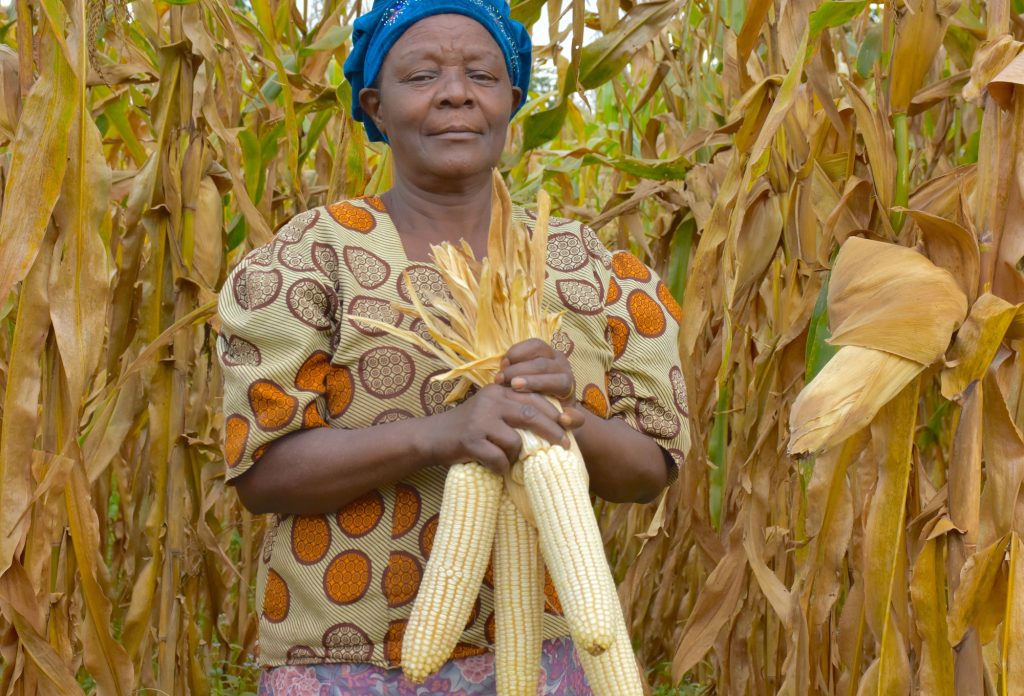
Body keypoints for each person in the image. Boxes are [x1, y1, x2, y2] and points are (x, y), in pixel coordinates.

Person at [217, 0, 690, 693]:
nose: (456, 92)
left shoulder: (589, 271)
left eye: (481, 74)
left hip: (550, 659)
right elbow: (261, 475)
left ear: (513, 101)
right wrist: (443, 435)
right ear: (375, 107)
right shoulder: (311, 260)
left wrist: (561, 417)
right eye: (422, 76)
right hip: (347, 663)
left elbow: (649, 471)